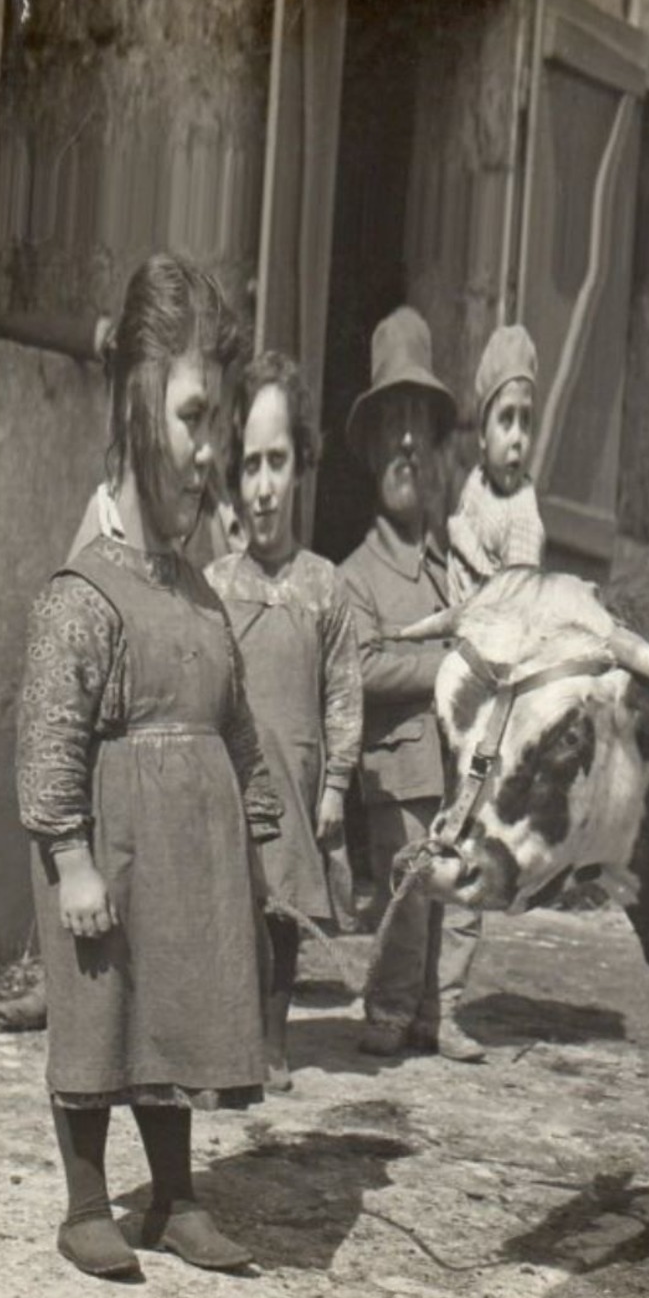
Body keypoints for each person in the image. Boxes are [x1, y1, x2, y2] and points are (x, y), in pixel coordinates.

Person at [16, 253, 281, 1280]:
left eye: (218, 426)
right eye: (191, 419)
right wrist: (70, 858)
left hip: (180, 869)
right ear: (135, 401)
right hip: (103, 869)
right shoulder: (85, 590)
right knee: (98, 1015)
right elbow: (48, 741)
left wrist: (265, 828)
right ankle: (87, 1200)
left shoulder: (197, 591)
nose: (209, 451)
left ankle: (173, 1199)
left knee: (172, 1009)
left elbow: (234, 715)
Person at [206, 352, 363, 1093]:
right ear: (232, 478)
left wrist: (335, 785)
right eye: (249, 467)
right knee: (231, 908)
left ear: (301, 463)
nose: (264, 487)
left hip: (297, 779)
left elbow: (342, 692)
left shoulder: (324, 587)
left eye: (278, 462)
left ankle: (272, 1043)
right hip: (233, 779)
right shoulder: (216, 585)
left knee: (282, 915)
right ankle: (221, 1047)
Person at [339, 306, 486, 1064]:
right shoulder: (354, 577)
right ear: (370, 452)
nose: (405, 442)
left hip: (458, 775)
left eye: (417, 428)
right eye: (389, 425)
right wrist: (449, 666)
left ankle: (442, 1009)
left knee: (460, 891)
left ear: (434, 450)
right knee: (404, 898)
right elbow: (361, 667)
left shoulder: (452, 572)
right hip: (397, 773)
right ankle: (391, 1006)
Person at [446, 324, 546, 605]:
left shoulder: (522, 517)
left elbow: (517, 612)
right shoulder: (476, 483)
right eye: (506, 419)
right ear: (481, 435)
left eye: (525, 421)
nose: (518, 438)